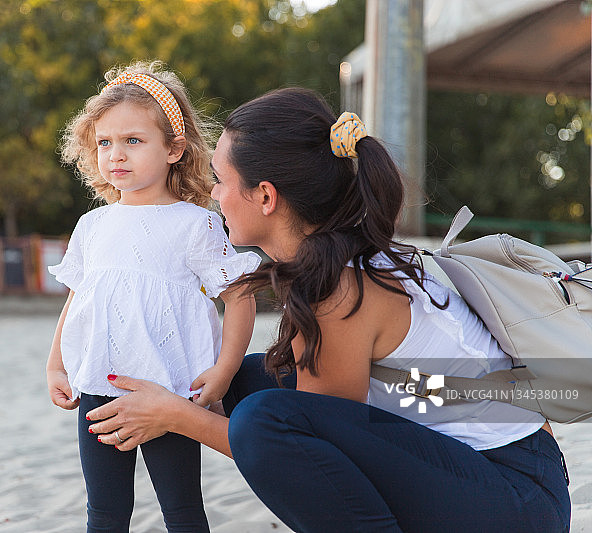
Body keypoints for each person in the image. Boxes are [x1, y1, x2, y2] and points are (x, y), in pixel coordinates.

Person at [85, 87, 572, 532]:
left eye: (221, 180)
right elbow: (327, 425)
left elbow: (295, 442)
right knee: (250, 381)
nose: (213, 194)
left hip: (516, 497)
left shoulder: (341, 288)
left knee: (264, 420)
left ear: (266, 196)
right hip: (493, 469)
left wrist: (177, 416)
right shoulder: (334, 260)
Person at [45, 60, 260, 533]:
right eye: (105, 142)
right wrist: (56, 363)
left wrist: (224, 371)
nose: (116, 154)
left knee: (182, 509)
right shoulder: (92, 225)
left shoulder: (195, 222)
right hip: (99, 385)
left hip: (171, 389)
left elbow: (241, 297)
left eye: (133, 141)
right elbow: (79, 297)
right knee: (104, 510)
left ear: (174, 148)